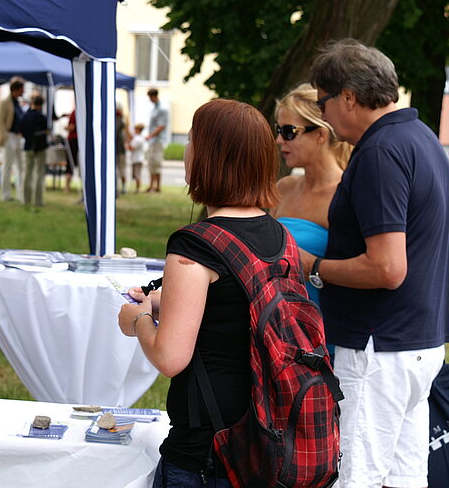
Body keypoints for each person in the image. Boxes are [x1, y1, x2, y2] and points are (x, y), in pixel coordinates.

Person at [305, 38, 449, 488]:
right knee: (403, 479)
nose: (324, 114)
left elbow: (387, 268)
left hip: (378, 347)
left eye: (324, 102)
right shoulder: (421, 137)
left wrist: (314, 266)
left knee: (354, 478)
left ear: (349, 97)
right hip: (417, 343)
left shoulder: (379, 151)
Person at [118, 98, 284, 486]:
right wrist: (162, 301)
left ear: (209, 157)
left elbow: (170, 357)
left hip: (207, 450)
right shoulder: (278, 234)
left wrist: (139, 317)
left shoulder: (196, 244)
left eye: (192, 141)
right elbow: (234, 304)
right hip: (263, 436)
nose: (187, 150)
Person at [270, 83, 351, 359]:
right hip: (278, 337)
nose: (279, 140)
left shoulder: (347, 195)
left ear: (320, 134)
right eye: (278, 130)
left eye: (289, 131)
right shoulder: (284, 188)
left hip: (327, 341)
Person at [0, 78, 25, 202]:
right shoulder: (4, 102)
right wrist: (6, 137)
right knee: (7, 166)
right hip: (9, 136)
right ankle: (5, 194)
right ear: (16, 89)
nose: (23, 91)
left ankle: (21, 194)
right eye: (22, 89)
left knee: (20, 167)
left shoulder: (18, 103)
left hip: (18, 137)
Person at [20, 94, 49, 209]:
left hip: (28, 146)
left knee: (27, 173)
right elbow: (45, 130)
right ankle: (38, 200)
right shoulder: (42, 117)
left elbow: (22, 131)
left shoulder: (25, 116)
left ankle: (26, 199)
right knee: (39, 174)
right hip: (40, 147)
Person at [145, 88, 169, 193]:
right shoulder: (155, 108)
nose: (150, 99)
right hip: (153, 141)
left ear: (154, 96)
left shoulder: (162, 109)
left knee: (156, 163)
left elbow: (161, 126)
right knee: (151, 163)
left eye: (150, 97)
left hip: (157, 140)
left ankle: (157, 187)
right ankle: (151, 186)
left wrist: (150, 136)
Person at [115, 104, 130, 195]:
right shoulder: (119, 121)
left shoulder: (120, 121)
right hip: (117, 150)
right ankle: (118, 187)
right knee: (119, 170)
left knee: (121, 170)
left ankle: (123, 187)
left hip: (120, 150)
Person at [129, 123, 147, 193]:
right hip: (137, 159)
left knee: (137, 175)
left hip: (137, 159)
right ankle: (137, 188)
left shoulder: (138, 139)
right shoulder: (139, 138)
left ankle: (138, 189)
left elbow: (131, 147)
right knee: (136, 175)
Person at [64, 109, 79, 193]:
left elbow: (71, 127)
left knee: (70, 163)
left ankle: (67, 186)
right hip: (78, 140)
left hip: (73, 140)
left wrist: (65, 127)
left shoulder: (75, 113)